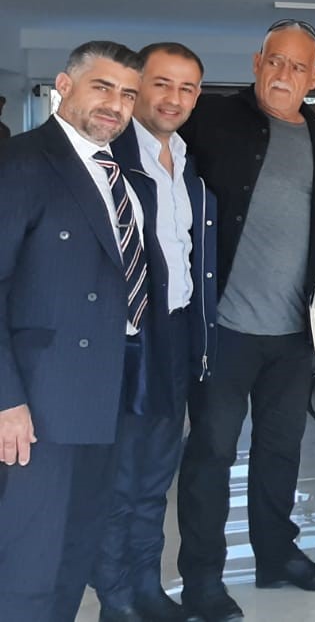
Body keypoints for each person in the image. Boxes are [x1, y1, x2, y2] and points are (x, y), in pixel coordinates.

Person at [177, 19, 315, 619]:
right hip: (223, 330)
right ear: (257, 62)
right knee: (211, 454)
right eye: (275, 61)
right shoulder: (208, 118)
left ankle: (277, 556)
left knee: (281, 450)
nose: (284, 74)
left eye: (298, 66)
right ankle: (203, 580)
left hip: (293, 332)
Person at [0, 42, 146, 621]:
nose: (116, 104)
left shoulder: (117, 172)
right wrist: (6, 399)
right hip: (40, 397)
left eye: (128, 94)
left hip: (107, 388)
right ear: (64, 85)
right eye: (102, 87)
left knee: (76, 543)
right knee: (30, 555)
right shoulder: (21, 162)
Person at [92, 43, 218, 622]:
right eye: (162, 83)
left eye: (187, 88)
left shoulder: (186, 160)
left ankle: (147, 588)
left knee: (154, 477)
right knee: (120, 479)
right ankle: (116, 597)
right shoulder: (109, 156)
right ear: (137, 86)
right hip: (126, 339)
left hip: (177, 332)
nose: (174, 98)